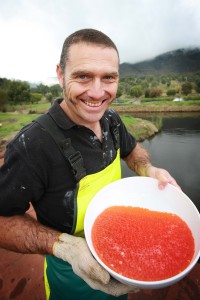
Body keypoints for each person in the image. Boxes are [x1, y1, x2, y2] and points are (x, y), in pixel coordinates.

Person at [0, 28, 180, 300]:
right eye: (83, 76)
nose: (97, 93)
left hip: (120, 252)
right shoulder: (32, 146)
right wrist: (64, 247)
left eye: (108, 78)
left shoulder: (112, 120)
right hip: (69, 279)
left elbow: (132, 151)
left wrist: (148, 170)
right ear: (61, 75)